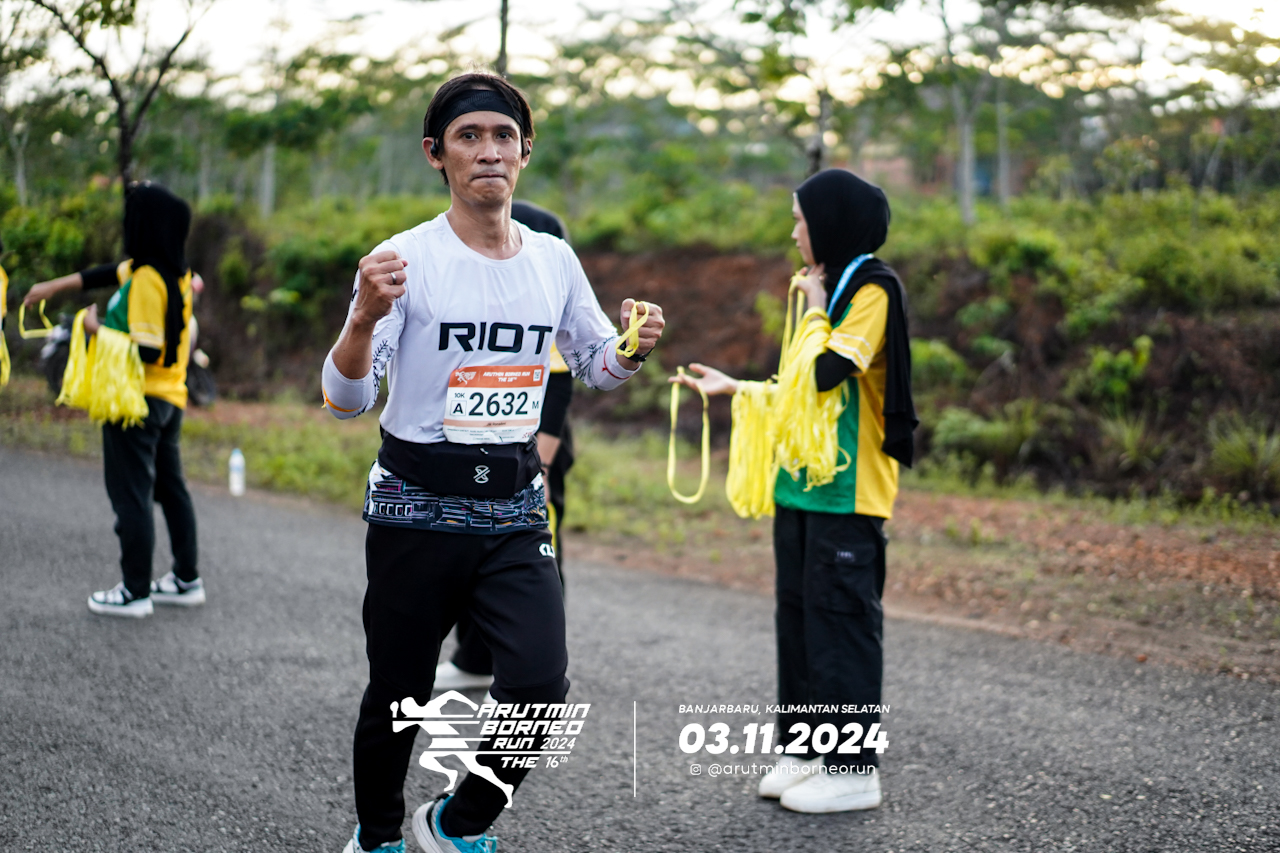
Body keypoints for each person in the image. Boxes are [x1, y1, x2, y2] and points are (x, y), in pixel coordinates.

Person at [321, 72, 665, 853]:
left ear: (525, 151)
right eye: (468, 136)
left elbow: (595, 366)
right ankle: (377, 837)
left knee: (541, 686)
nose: (488, 151)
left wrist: (633, 348)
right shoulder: (401, 261)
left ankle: (457, 821)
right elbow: (346, 399)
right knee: (399, 694)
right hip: (416, 504)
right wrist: (362, 319)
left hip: (515, 506)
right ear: (435, 153)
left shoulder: (553, 260)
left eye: (503, 135)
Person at [672, 169, 916, 814]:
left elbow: (828, 372)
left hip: (848, 492)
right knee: (800, 621)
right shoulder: (833, 288)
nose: (794, 234)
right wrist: (738, 389)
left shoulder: (871, 288)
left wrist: (813, 305)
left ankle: (853, 771)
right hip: (802, 486)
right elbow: (799, 390)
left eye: (800, 221)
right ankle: (806, 751)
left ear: (830, 224)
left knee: (841, 626)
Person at [24, 183, 204, 617]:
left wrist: (95, 330)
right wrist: (54, 286)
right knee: (171, 491)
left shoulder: (146, 280)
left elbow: (148, 350)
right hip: (169, 399)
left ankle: (135, 592)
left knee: (131, 496)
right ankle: (186, 580)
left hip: (135, 402)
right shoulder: (172, 271)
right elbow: (104, 274)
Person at [434, 200, 576, 694]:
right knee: (473, 542)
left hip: (531, 449)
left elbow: (560, 384)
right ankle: (476, 658)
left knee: (532, 556)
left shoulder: (542, 277)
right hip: (480, 446)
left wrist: (541, 466)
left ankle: (532, 662)